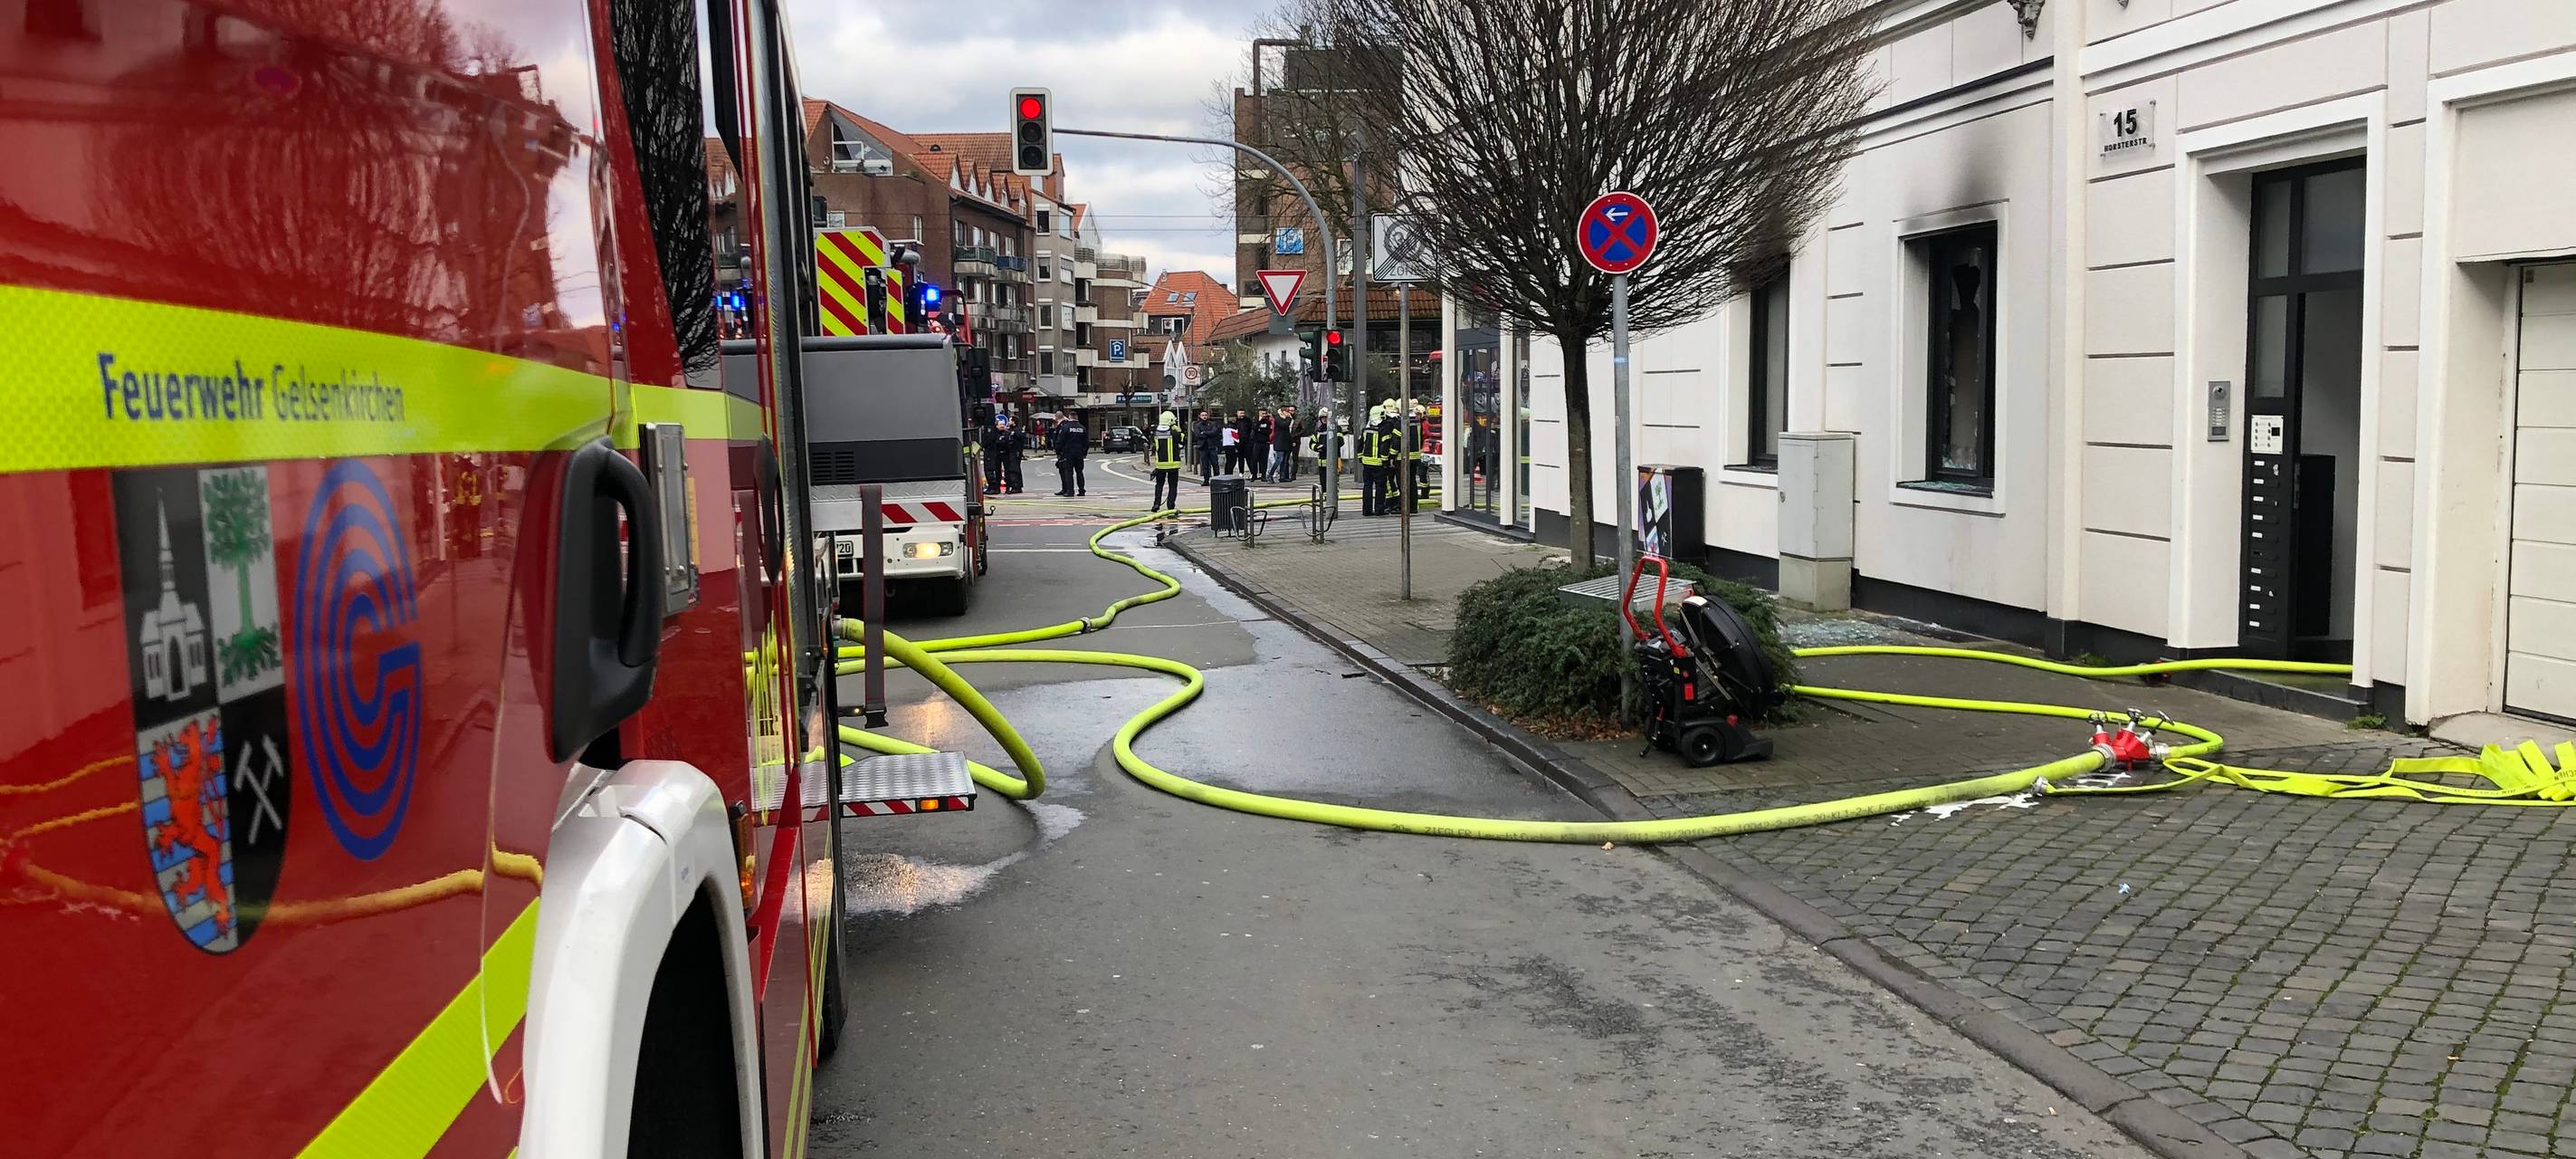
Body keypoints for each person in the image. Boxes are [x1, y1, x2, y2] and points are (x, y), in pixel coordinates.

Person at [1149, 409, 1185, 513]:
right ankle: (1170, 506)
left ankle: (1156, 504)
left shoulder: (1156, 432)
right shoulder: (1174, 432)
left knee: (1159, 485)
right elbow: (1183, 441)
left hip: (1160, 465)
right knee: (1172, 486)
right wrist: (1178, 430)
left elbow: (1154, 445)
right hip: (1173, 465)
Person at [1357, 404, 1388, 516]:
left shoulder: (1365, 429)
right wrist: (1385, 462)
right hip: (1378, 464)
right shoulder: (1383, 430)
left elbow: (1359, 445)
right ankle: (1379, 509)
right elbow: (1384, 447)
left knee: (1367, 486)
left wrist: (1360, 458)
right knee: (1380, 486)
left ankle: (1367, 510)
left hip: (1366, 463)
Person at [1051, 412, 1090, 496]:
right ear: (1077, 418)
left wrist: (1057, 450)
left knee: (1069, 472)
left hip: (1068, 453)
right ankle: (1082, 490)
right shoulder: (1082, 428)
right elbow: (1086, 442)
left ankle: (1070, 491)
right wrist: (1084, 453)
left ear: (1069, 417)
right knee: (1079, 472)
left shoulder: (1066, 427)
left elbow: (1061, 440)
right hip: (1079, 453)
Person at [997, 414, 1026, 494]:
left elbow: (1018, 439)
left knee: (1014, 469)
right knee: (1012, 469)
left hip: (1015, 452)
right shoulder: (1011, 430)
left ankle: (1016, 486)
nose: (1008, 422)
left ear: (1013, 422)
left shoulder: (1017, 431)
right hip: (1012, 452)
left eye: (1010, 420)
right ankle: (1015, 486)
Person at [1191, 409, 1221, 483]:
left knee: (1215, 463)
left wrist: (1204, 432)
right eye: (1203, 415)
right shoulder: (1197, 425)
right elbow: (1198, 435)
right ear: (1200, 416)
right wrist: (1208, 434)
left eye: (1205, 415)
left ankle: (1217, 479)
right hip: (1202, 447)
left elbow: (1214, 432)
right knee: (1205, 464)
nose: (1204, 417)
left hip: (1212, 446)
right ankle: (1206, 480)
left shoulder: (1212, 424)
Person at [1273, 406, 1300, 482]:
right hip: (1280, 443)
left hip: (1288, 442)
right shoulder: (1278, 418)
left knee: (1285, 461)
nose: (1290, 413)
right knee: (1279, 460)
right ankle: (1270, 474)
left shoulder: (1293, 419)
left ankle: (1283, 477)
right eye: (1288, 411)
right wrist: (1289, 418)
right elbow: (1284, 425)